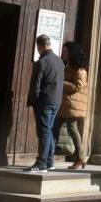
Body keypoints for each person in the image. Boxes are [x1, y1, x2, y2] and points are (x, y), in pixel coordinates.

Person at [26, 34, 64, 172]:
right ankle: (49, 161)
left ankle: (41, 163)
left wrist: (34, 101)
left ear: (39, 47)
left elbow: (35, 86)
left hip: (44, 102)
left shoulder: (41, 62)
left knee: (44, 133)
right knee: (48, 131)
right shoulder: (60, 61)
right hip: (56, 101)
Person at [54, 41, 89, 169]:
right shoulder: (67, 66)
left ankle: (80, 158)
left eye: (66, 51)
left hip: (72, 105)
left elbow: (77, 86)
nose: (63, 53)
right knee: (54, 129)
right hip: (65, 105)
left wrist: (61, 82)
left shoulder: (80, 70)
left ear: (72, 53)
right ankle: (47, 156)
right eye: (63, 51)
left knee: (72, 129)